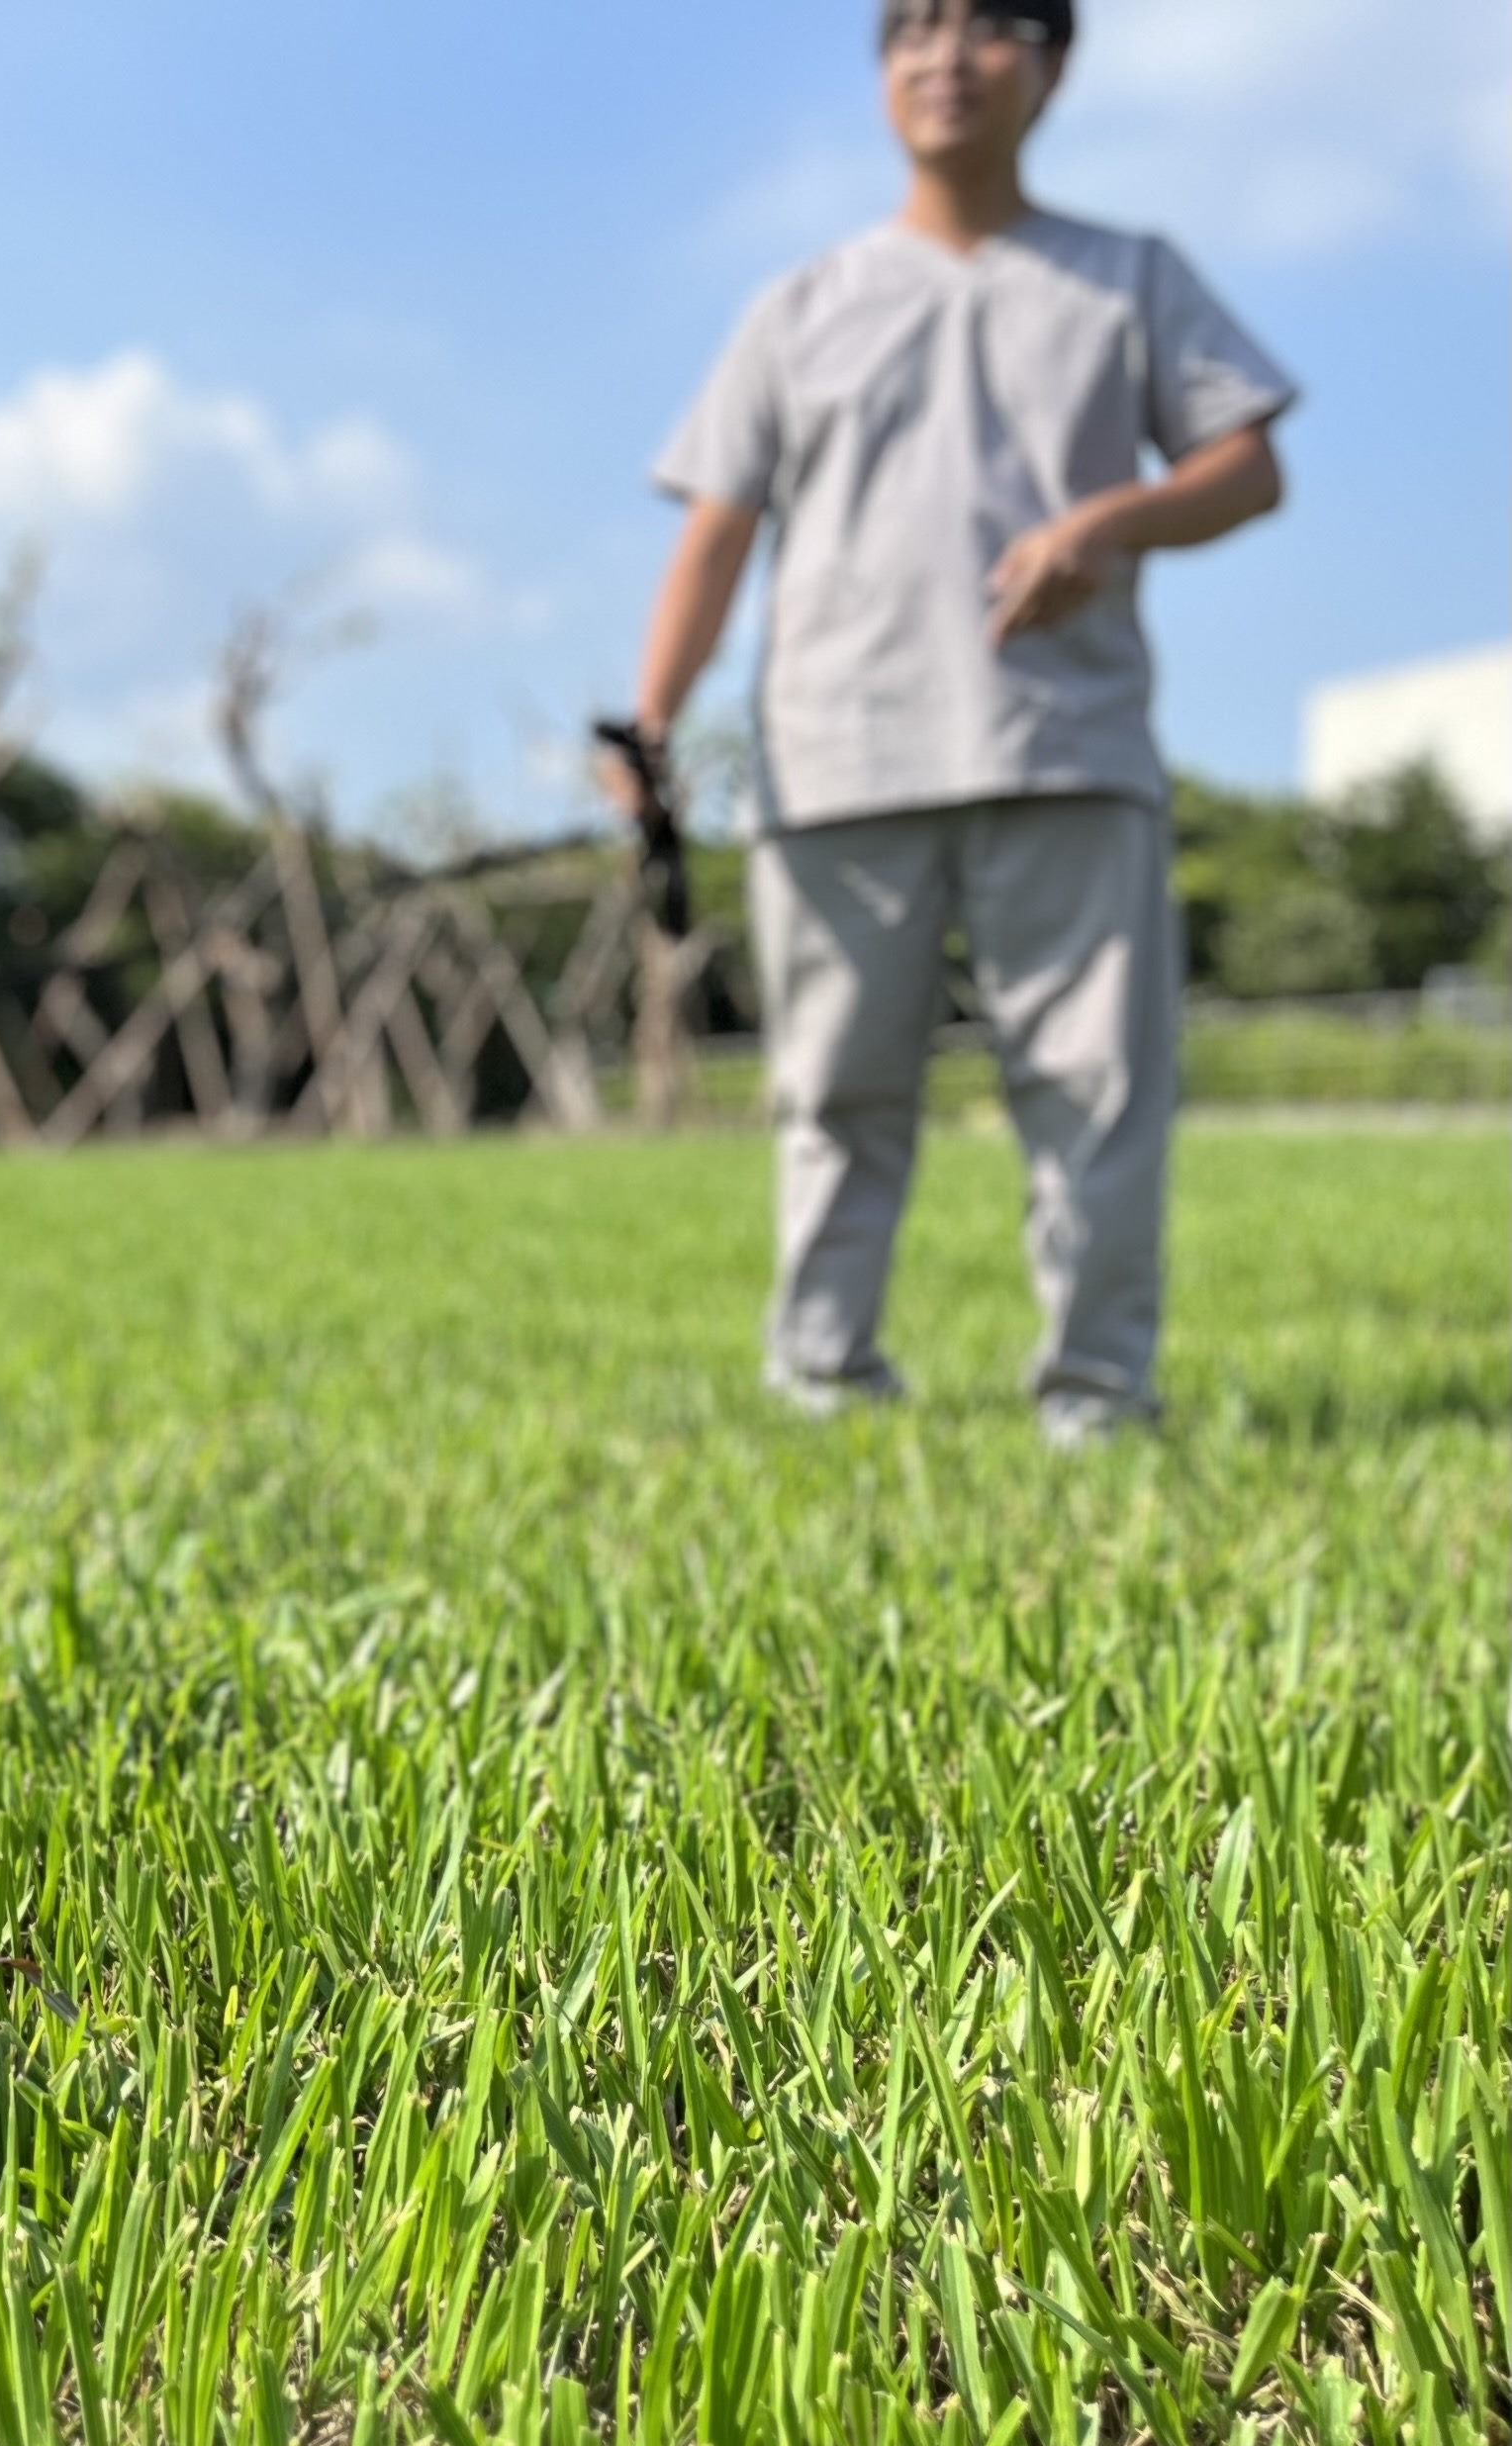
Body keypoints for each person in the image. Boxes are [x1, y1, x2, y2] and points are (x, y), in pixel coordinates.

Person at [611, 0, 1293, 1445]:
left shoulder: (1128, 279)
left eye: (989, 27)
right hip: (837, 758)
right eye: (911, 29)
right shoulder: (801, 305)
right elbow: (714, 537)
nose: (945, 57)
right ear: (879, 78)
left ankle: (1098, 1397)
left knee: (1096, 1095)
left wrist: (1113, 519)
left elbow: (1244, 467)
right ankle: (821, 1378)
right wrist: (649, 728)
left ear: (1048, 67)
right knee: (834, 1093)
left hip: (1066, 750)